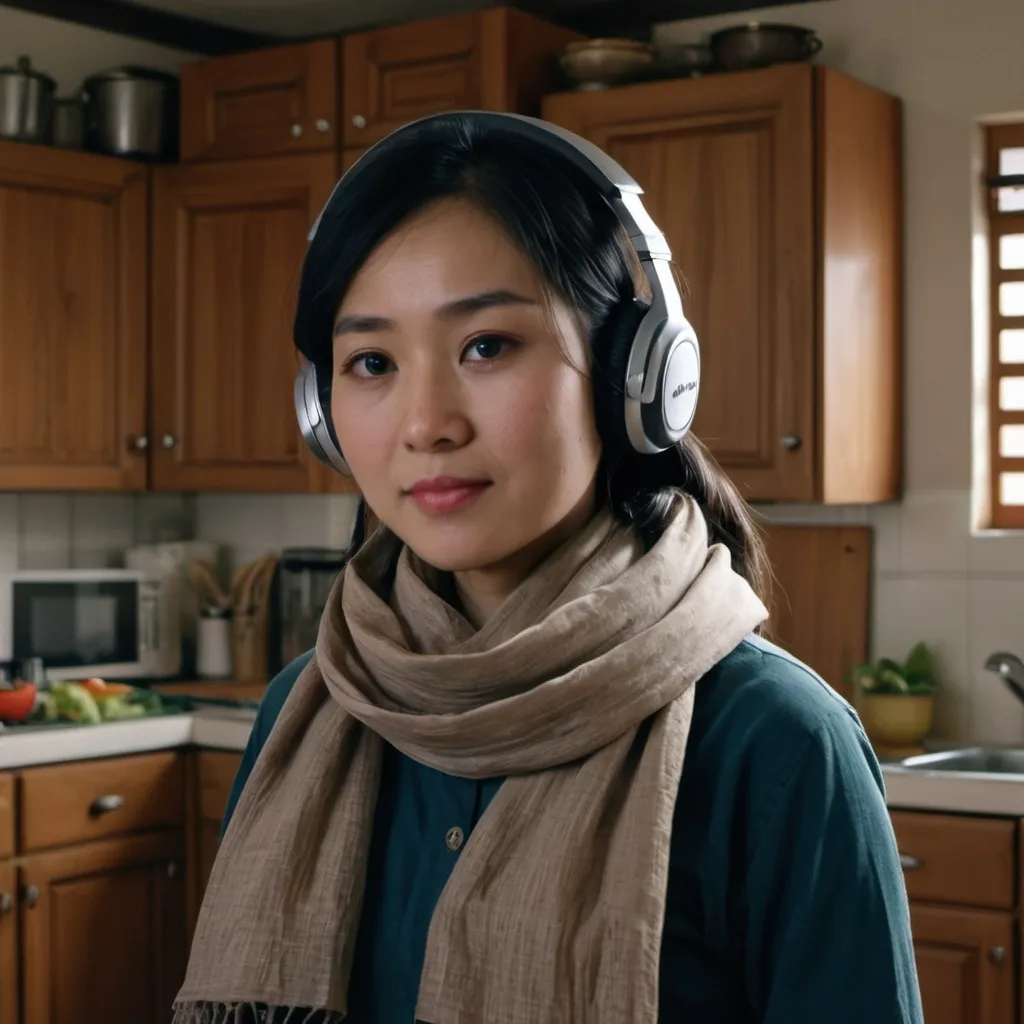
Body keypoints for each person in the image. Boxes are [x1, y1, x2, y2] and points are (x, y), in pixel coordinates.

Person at [174, 112, 924, 1024]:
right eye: (370, 361)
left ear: (632, 375)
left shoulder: (777, 745)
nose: (426, 422)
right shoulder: (304, 710)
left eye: (486, 346)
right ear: (322, 412)